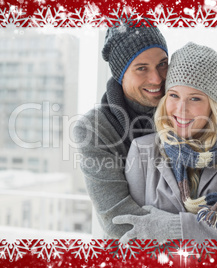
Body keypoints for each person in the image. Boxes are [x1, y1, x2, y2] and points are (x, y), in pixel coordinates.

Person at [113, 42, 217, 243]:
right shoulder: (143, 150)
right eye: (174, 95)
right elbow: (134, 236)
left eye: (195, 99)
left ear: (212, 105)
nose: (181, 109)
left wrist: (179, 227)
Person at [73, 21, 169, 238]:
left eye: (162, 64)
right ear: (121, 74)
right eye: (141, 68)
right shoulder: (94, 128)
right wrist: (195, 233)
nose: (156, 78)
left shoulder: (187, 113)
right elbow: (121, 223)